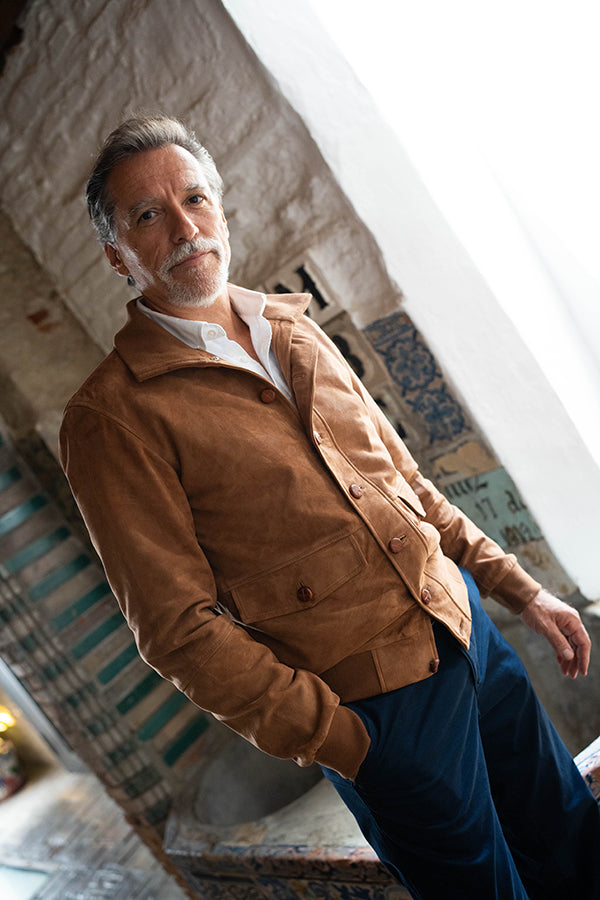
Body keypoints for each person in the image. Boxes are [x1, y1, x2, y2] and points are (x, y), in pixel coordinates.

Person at [59, 114, 600, 899]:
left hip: (470, 632)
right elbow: (179, 631)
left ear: (220, 210)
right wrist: (347, 743)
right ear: (118, 255)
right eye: (148, 215)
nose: (184, 227)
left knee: (574, 839)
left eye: (195, 198)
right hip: (381, 715)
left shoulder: (292, 330)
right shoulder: (112, 418)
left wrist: (518, 588)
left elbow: (406, 483)